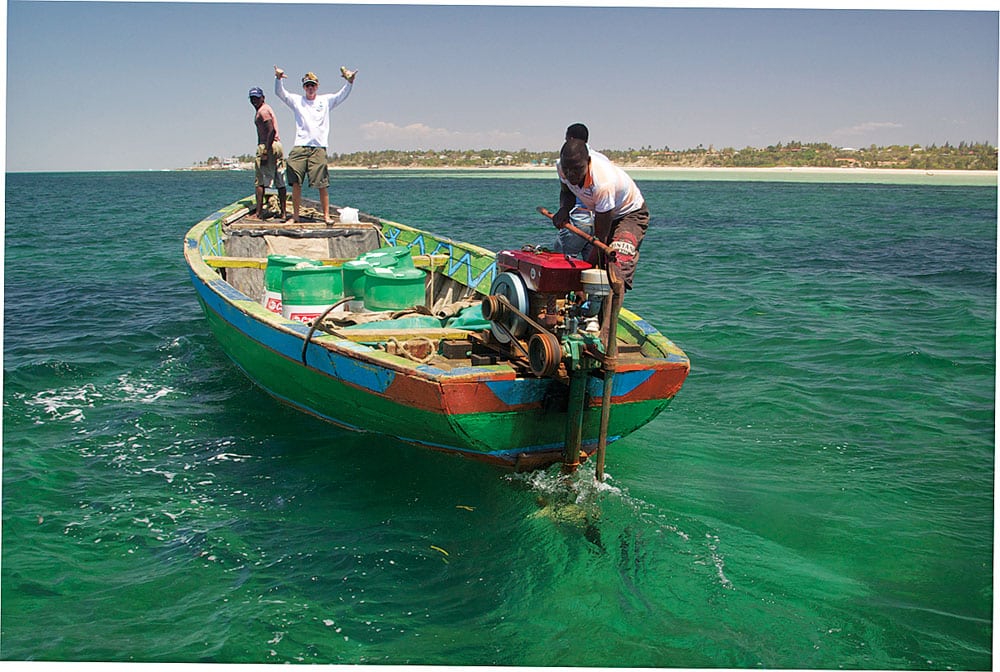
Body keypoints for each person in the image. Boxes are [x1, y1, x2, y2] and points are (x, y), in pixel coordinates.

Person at [552, 138, 649, 290]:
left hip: (630, 213)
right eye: (567, 169)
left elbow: (601, 236)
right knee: (592, 268)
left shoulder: (602, 183)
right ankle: (587, 304)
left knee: (615, 264)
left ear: (588, 162)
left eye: (576, 169)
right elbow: (567, 192)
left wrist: (596, 255)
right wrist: (564, 210)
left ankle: (609, 310)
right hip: (604, 213)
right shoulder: (561, 167)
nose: (571, 174)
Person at [273, 65, 357, 223]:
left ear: (317, 86)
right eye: (307, 85)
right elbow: (280, 93)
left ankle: (326, 216)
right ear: (304, 87)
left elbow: (342, 95)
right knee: (296, 181)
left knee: (322, 183)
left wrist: (350, 82)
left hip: (318, 147)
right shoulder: (298, 101)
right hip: (300, 146)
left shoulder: (325, 101)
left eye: (312, 85)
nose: (310, 88)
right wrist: (278, 78)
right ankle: (295, 216)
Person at [248, 87, 287, 220]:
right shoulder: (266, 109)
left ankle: (258, 214)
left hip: (268, 145)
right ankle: (283, 212)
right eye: (252, 99)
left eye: (257, 98)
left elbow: (271, 131)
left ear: (263, 98)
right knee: (280, 181)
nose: (254, 101)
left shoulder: (263, 111)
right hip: (277, 145)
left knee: (260, 181)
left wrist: (265, 151)